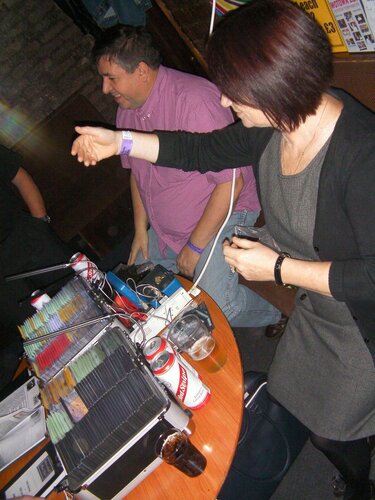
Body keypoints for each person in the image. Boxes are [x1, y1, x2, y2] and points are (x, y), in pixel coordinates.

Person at [71, 0, 375, 497]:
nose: (227, 105)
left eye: (235, 95)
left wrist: (278, 267)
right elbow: (198, 150)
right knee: (291, 394)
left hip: (362, 324)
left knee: (328, 428)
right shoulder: (274, 128)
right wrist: (119, 141)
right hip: (317, 309)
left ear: (272, 85)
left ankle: (360, 481)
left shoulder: (361, 155)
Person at [90, 25, 280, 328]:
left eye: (111, 78)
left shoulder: (194, 100)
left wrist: (194, 247)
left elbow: (231, 184)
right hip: (166, 229)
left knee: (219, 309)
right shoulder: (126, 112)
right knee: (135, 293)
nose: (104, 88)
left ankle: (279, 313)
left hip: (225, 213)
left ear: (140, 70)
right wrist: (141, 229)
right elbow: (137, 176)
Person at [0, 144, 73, 389]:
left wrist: (41, 223)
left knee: (82, 295)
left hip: (28, 240)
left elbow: (20, 177)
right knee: (46, 342)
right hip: (4, 285)